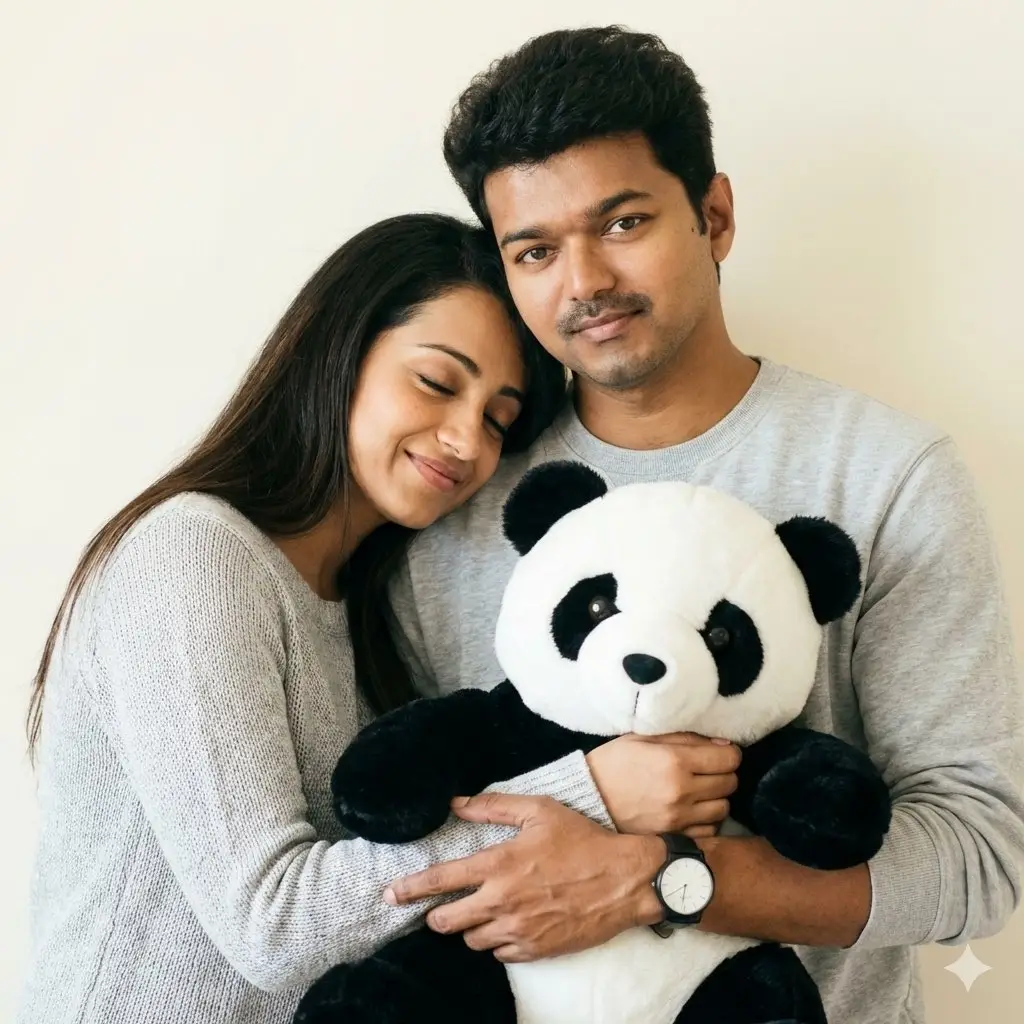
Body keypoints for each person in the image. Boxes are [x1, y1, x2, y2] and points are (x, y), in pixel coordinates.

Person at [381, 27, 1024, 1024]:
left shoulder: (885, 475)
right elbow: (399, 833)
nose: (583, 281)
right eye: (535, 250)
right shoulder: (459, 501)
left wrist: (660, 878)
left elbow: (976, 860)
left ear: (713, 216)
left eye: (623, 222)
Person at [15, 212, 633, 1024]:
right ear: (339, 350)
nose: (465, 440)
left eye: (497, 419)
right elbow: (271, 924)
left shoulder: (365, 610)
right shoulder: (195, 555)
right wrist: (592, 793)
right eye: (437, 382)